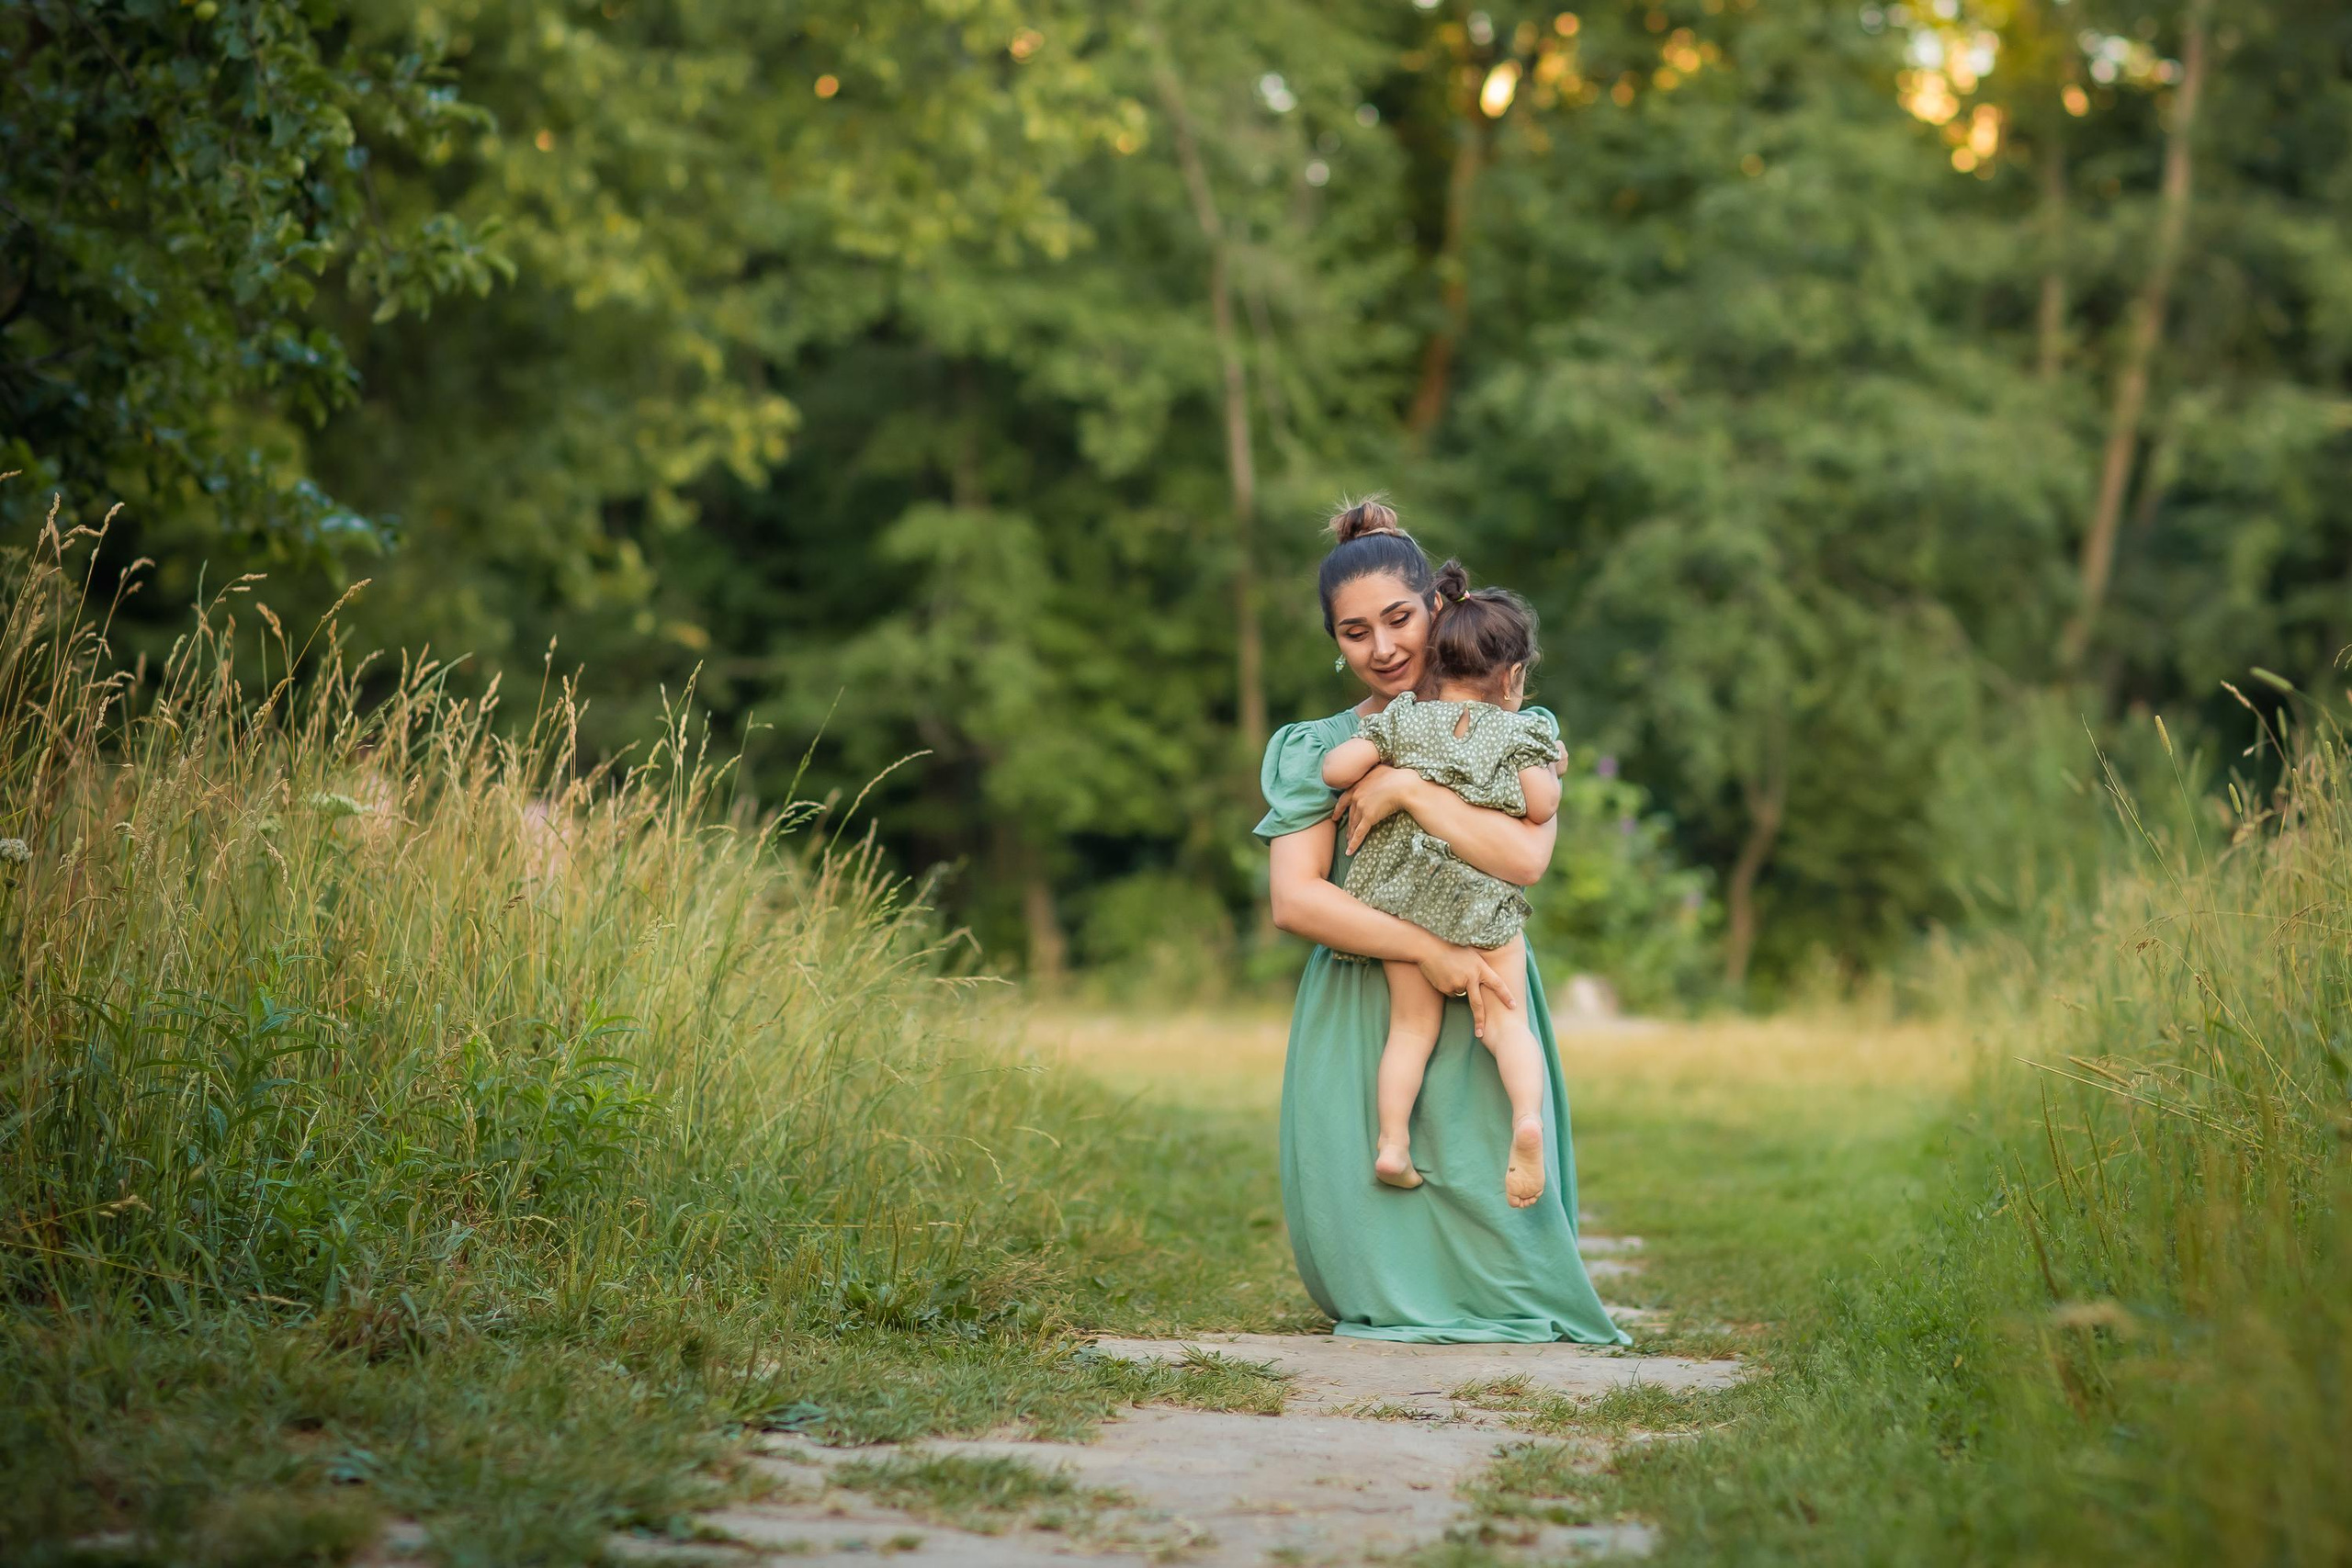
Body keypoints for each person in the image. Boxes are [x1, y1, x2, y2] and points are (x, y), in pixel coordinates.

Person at [1258, 498, 1625, 1345]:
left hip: (1488, 988)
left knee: (1504, 1238)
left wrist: (1410, 789)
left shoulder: (1511, 724)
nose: (1382, 648)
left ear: (1437, 608)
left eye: (1397, 619)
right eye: (1354, 633)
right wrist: (1430, 951)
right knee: (1377, 1276)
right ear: (1334, 643)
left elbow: (1526, 860)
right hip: (1368, 993)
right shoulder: (1316, 746)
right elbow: (1295, 899)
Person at [1318, 559, 1561, 1204]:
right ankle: (1527, 1120)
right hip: (1482, 904)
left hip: (1404, 905)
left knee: (1410, 1031)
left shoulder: (1402, 718)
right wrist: (1546, 765)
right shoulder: (1520, 734)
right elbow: (1539, 809)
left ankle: (1393, 1144)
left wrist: (1370, 764)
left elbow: (1337, 767)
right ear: (1511, 676)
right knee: (1510, 1029)